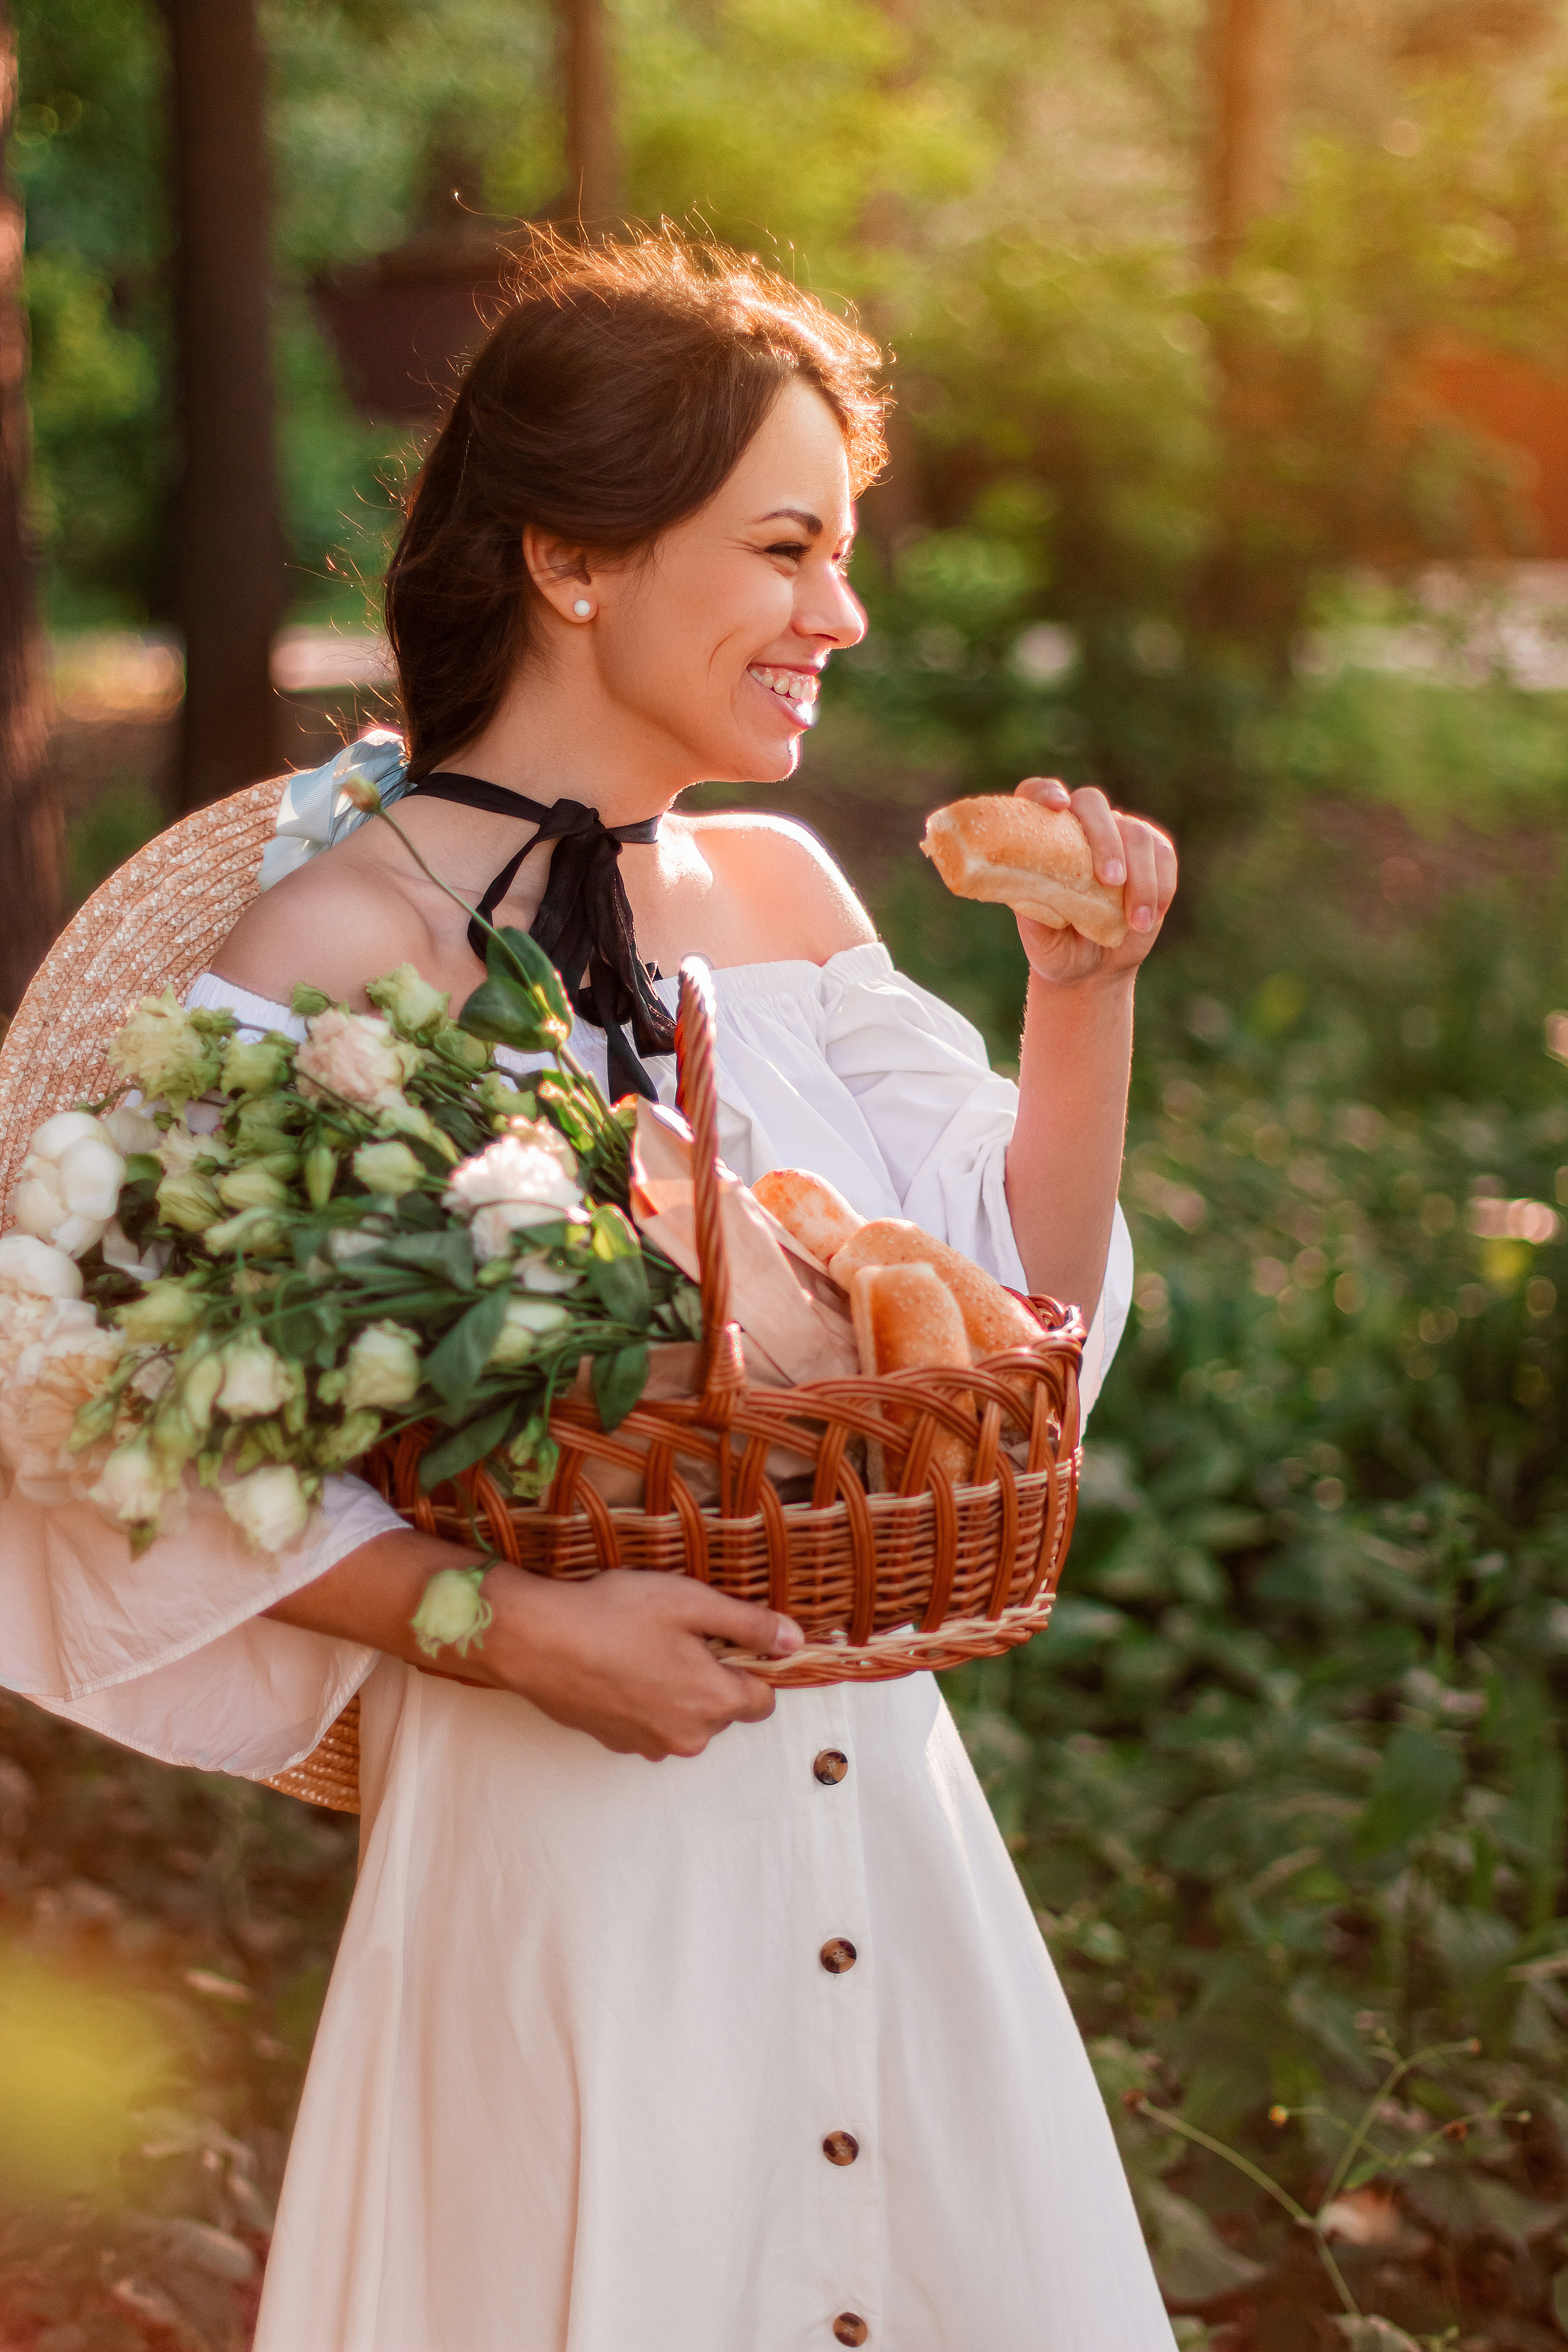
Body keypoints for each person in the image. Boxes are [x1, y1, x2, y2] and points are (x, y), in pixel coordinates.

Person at [12, 233, 1180, 2348]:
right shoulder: (335, 954)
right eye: (787, 549)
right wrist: (518, 1628)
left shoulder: (785, 895)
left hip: (884, 1809)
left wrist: (1080, 998)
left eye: (843, 555)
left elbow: (1020, 1329)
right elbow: (108, 1432)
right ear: (570, 557)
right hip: (556, 1866)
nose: (838, 614)